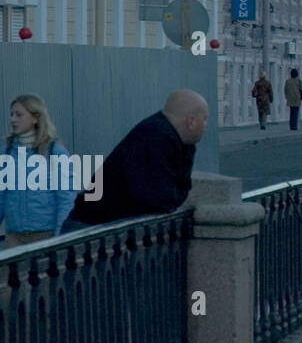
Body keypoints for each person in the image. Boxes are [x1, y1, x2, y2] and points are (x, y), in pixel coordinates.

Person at [64, 90, 207, 228]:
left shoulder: (176, 141)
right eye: (205, 119)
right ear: (191, 121)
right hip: (91, 227)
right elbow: (157, 195)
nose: (206, 125)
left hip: (105, 224)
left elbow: (174, 193)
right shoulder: (154, 137)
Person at [0, 94, 78, 246]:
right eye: (11, 114)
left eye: (19, 115)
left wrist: (60, 236)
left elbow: (66, 198)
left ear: (35, 118)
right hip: (14, 238)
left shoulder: (55, 151)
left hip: (46, 236)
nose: (13, 119)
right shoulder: (7, 153)